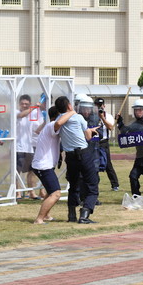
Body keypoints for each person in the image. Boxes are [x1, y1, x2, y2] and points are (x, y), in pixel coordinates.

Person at [55, 95, 100, 224]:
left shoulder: (59, 119)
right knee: (92, 185)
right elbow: (88, 137)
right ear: (69, 106)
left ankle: (71, 215)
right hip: (83, 154)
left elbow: (62, 127)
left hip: (70, 156)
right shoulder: (78, 117)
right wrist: (91, 131)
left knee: (73, 185)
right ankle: (85, 214)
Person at [31, 106, 68, 224]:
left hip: (44, 165)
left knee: (50, 192)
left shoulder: (49, 126)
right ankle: (39, 219)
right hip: (43, 166)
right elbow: (58, 124)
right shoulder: (51, 125)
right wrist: (71, 112)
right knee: (56, 194)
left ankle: (46, 216)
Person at [16, 94, 40, 200]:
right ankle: (18, 193)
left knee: (32, 170)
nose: (24, 105)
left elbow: (36, 128)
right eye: (22, 104)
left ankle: (31, 192)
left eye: (26, 104)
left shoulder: (32, 114)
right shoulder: (17, 112)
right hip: (18, 147)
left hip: (29, 147)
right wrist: (34, 107)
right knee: (18, 171)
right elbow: (21, 115)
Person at [94, 97, 120, 191]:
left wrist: (103, 118)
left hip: (104, 142)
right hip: (95, 141)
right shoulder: (92, 116)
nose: (99, 107)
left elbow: (110, 127)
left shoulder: (107, 116)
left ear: (104, 106)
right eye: (97, 106)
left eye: (100, 106)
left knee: (108, 163)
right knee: (94, 164)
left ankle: (115, 184)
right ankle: (94, 184)